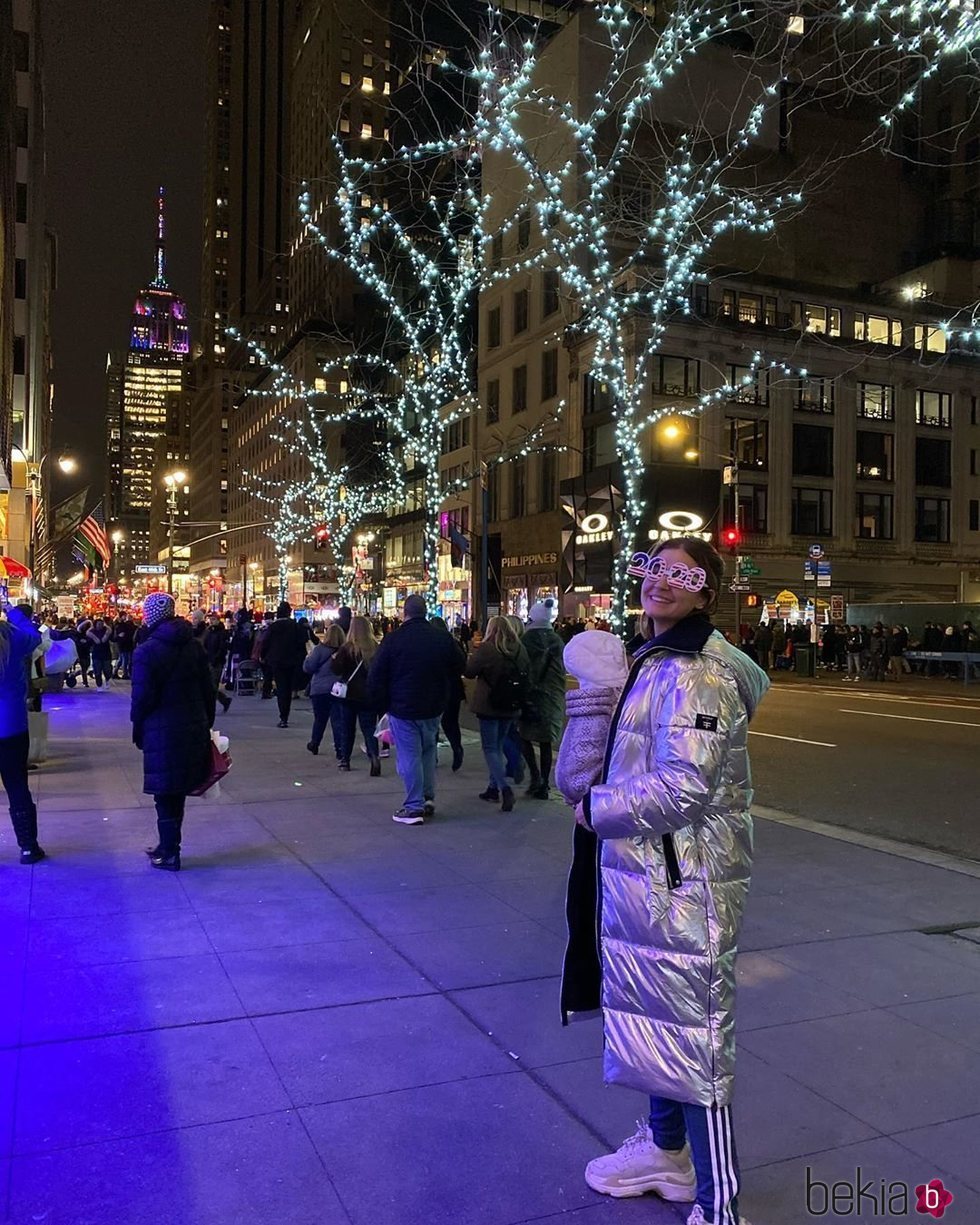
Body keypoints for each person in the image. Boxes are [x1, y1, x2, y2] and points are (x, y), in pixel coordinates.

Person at [563, 536, 768, 1225]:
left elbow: (683, 786)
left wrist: (597, 808)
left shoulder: (698, 673)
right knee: (663, 1024)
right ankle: (664, 1151)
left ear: (706, 589)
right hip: (650, 876)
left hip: (686, 884)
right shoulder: (652, 659)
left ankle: (719, 1206)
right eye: (652, 566)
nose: (660, 580)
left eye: (682, 572)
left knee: (697, 1044)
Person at [130, 593, 215, 871]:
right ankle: (168, 845)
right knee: (176, 789)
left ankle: (169, 852)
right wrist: (206, 722)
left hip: (162, 729)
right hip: (192, 724)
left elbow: (142, 697)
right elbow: (208, 690)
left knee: (164, 792)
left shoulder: (146, 651)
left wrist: (138, 725)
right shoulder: (194, 646)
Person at [368, 594, 461, 825]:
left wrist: (381, 704)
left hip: (403, 705)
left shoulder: (394, 640)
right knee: (428, 752)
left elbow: (377, 675)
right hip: (434, 704)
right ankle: (427, 797)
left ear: (404, 612)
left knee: (409, 755)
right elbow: (461, 666)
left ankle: (413, 806)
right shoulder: (441, 638)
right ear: (426, 611)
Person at [465, 615, 531, 813]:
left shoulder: (488, 648)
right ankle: (492, 788)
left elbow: (469, 671)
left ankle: (503, 787)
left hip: (490, 704)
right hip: (511, 704)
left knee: (491, 748)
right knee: (500, 744)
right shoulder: (520, 649)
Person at [0, 602, 43, 863]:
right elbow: (35, 636)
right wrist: (14, 611)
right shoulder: (12, 636)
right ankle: (28, 846)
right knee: (17, 787)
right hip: (12, 725)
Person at [517, 599, 566, 800]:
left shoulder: (526, 640)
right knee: (546, 741)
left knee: (524, 736)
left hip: (530, 694)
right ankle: (545, 782)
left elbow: (520, 666)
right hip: (552, 695)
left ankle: (535, 776)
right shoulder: (557, 641)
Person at [330, 615, 382, 773]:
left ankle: (345, 761)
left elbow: (337, 670)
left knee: (347, 728)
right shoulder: (375, 648)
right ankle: (374, 756)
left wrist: (334, 660)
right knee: (369, 728)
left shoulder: (347, 648)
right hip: (369, 694)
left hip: (349, 694)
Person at [260, 602, 307, 727]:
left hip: (277, 661)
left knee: (282, 688)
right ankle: (286, 713)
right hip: (292, 660)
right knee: (288, 687)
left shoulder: (273, 627)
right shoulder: (295, 626)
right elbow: (301, 642)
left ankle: (283, 716)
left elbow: (265, 642)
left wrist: (263, 656)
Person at [303, 623, 346, 757]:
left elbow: (308, 668)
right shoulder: (345, 651)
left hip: (320, 689)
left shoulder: (319, 650)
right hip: (338, 689)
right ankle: (340, 749)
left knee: (320, 719)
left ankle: (315, 743)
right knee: (337, 720)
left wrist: (307, 659)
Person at [432, 617, 466, 770]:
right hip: (453, 688)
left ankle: (433, 756)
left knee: (432, 724)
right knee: (451, 722)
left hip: (435, 688)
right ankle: (456, 747)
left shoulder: (430, 644)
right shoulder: (454, 642)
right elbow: (463, 664)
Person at [203, 612, 233, 713]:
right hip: (209, 661)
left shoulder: (222, 632)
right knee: (211, 686)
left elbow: (222, 648)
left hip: (217, 662)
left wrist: (216, 658)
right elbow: (205, 645)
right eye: (210, 619)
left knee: (212, 685)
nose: (211, 621)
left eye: (214, 619)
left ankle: (215, 705)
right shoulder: (209, 632)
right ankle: (224, 700)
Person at [87, 617, 113, 689]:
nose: (100, 625)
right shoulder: (92, 632)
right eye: (98, 624)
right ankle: (99, 685)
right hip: (96, 654)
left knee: (107, 669)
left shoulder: (106, 631)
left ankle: (107, 680)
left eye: (101, 624)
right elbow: (88, 641)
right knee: (97, 670)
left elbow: (111, 635)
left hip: (106, 654)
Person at [112, 612, 137, 679]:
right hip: (124, 644)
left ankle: (115, 672)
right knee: (124, 659)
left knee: (121, 659)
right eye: (125, 616)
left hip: (124, 643)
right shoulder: (122, 625)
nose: (126, 617)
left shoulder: (121, 624)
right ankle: (124, 674)